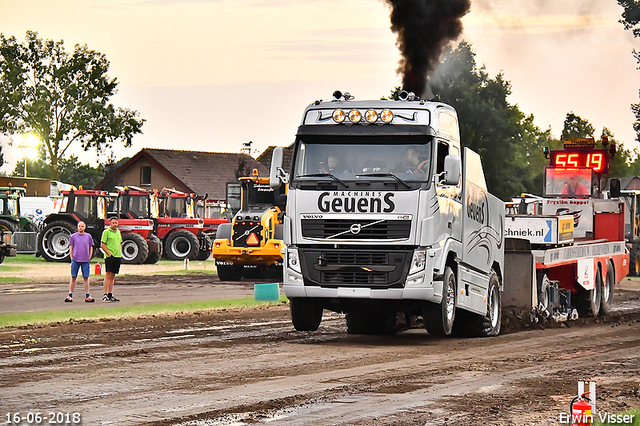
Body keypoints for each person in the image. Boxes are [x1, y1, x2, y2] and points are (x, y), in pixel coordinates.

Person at [64, 221, 95, 303]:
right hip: (76, 259)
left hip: (85, 260)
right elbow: (71, 247)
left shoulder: (88, 236)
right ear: (77, 227)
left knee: (86, 278)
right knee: (73, 277)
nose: (81, 228)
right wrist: (72, 257)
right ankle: (70, 295)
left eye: (82, 226)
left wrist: (89, 257)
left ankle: (87, 295)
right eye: (79, 226)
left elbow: (91, 247)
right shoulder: (73, 236)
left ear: (84, 227)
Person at [101, 216, 122, 302]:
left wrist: (120, 253)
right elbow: (102, 244)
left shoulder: (118, 232)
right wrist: (109, 254)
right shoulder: (106, 232)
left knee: (113, 275)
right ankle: (105, 294)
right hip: (110, 256)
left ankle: (110, 293)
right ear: (110, 223)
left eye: (116, 223)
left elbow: (120, 243)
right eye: (113, 223)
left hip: (117, 256)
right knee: (108, 275)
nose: (115, 224)